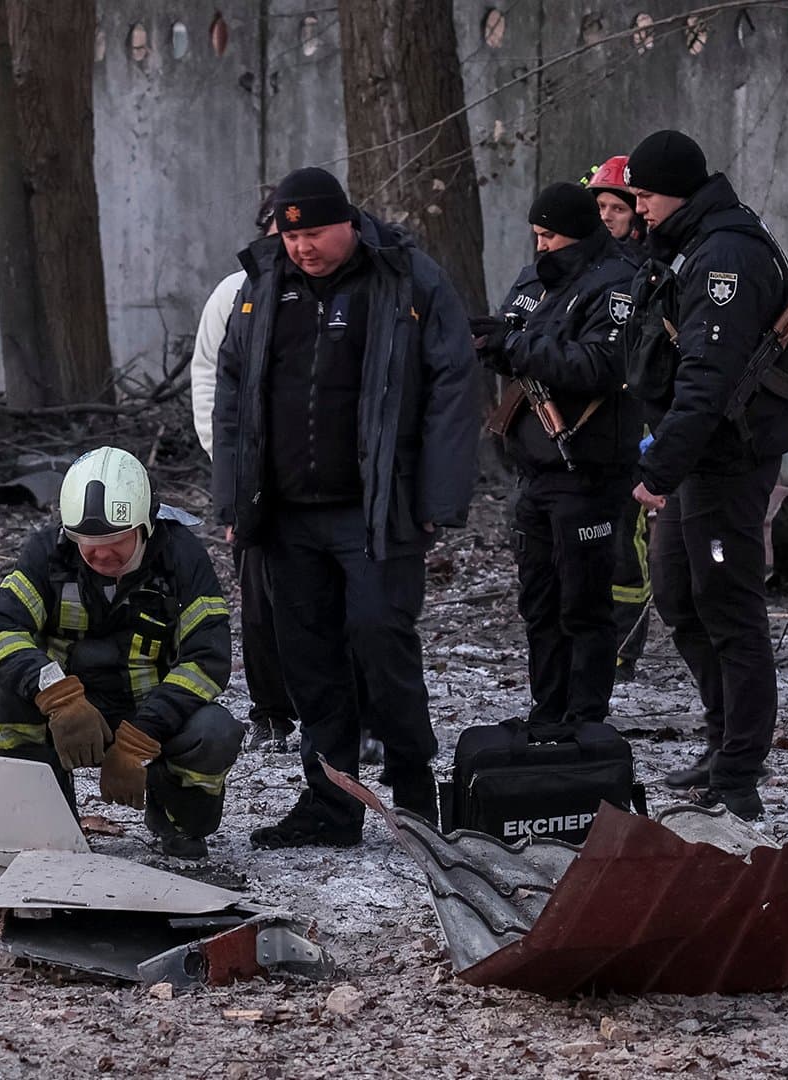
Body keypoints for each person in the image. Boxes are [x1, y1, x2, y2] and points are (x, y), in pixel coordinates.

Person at [213, 166, 481, 848]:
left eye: (314, 233)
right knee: (309, 659)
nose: (301, 247)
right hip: (286, 516)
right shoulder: (263, 284)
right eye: (291, 233)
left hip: (376, 511)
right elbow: (233, 393)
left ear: (348, 224)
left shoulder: (406, 280)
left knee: (379, 642)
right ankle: (331, 803)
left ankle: (417, 795)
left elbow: (453, 386)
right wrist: (232, 498)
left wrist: (437, 500)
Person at [623, 130, 788, 821]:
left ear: (678, 191)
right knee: (678, 594)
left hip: (727, 457)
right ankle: (719, 738)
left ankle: (738, 771)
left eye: (644, 197)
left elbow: (709, 374)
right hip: (699, 455)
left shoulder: (725, 254)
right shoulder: (690, 247)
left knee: (728, 606)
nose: (639, 211)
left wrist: (659, 467)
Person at [0, 447, 242, 859]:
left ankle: (177, 821)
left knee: (215, 731)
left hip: (154, 713)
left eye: (115, 541)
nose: (100, 555)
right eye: (88, 543)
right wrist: (57, 696)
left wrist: (141, 736)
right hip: (71, 712)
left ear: (146, 525)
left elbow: (207, 660)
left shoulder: (181, 557)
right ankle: (43, 822)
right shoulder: (48, 552)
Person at [470, 182, 640, 735]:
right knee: (539, 603)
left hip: (586, 467)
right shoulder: (537, 277)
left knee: (582, 606)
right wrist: (494, 342)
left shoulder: (614, 283)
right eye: (536, 235)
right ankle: (549, 711)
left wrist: (517, 345)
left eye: (550, 235)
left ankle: (584, 717)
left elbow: (600, 364)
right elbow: (515, 331)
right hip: (535, 465)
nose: (541, 246)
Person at [188, 193, 300, 752]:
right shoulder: (234, 294)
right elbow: (211, 381)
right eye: (281, 227)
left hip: (321, 483)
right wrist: (229, 467)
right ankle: (272, 710)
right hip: (255, 482)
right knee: (259, 602)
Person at [584, 154, 654, 680]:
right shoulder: (590, 265)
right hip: (596, 424)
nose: (607, 216)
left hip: (637, 418)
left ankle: (623, 645)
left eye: (616, 206)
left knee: (628, 537)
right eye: (601, 206)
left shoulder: (652, 269)